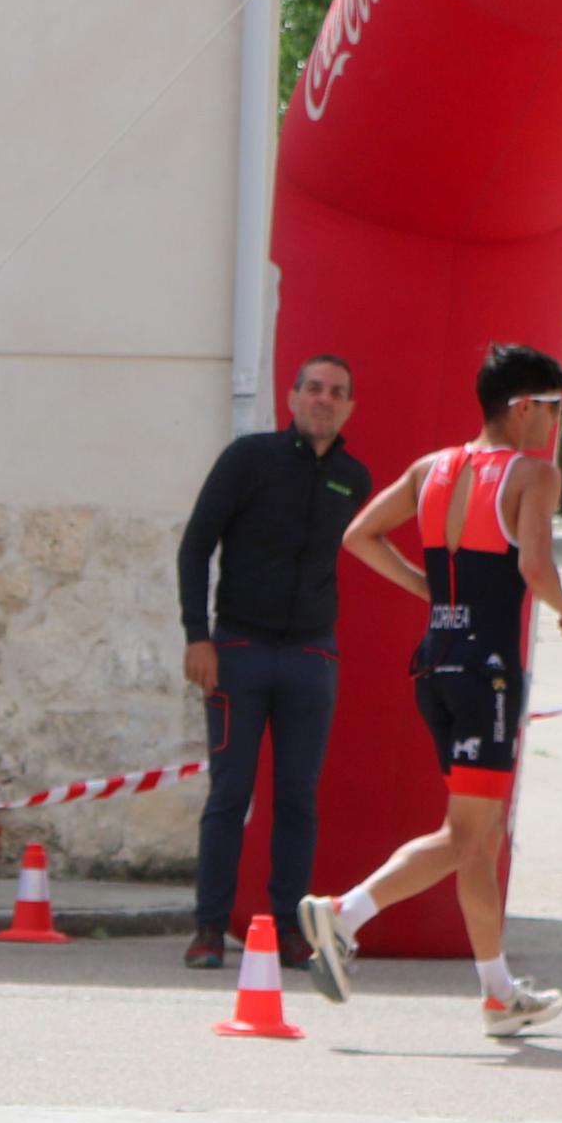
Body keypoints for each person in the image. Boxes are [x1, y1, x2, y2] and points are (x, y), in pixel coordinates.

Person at [299, 341, 562, 1037]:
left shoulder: (434, 467)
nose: (555, 422)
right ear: (522, 407)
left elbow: (359, 535)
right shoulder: (532, 475)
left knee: (477, 840)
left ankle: (496, 994)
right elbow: (534, 564)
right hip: (487, 668)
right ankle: (343, 914)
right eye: (552, 407)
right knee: (465, 836)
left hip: (435, 658)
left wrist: (427, 588)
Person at [174, 351, 368, 968]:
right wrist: (196, 634)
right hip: (238, 651)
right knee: (230, 794)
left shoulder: (354, 479)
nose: (323, 399)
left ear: (349, 407)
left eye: (336, 392)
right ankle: (209, 929)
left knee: (298, 798)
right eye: (313, 388)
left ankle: (288, 928)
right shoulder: (248, 460)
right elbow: (195, 546)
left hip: (312, 655)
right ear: (291, 397)